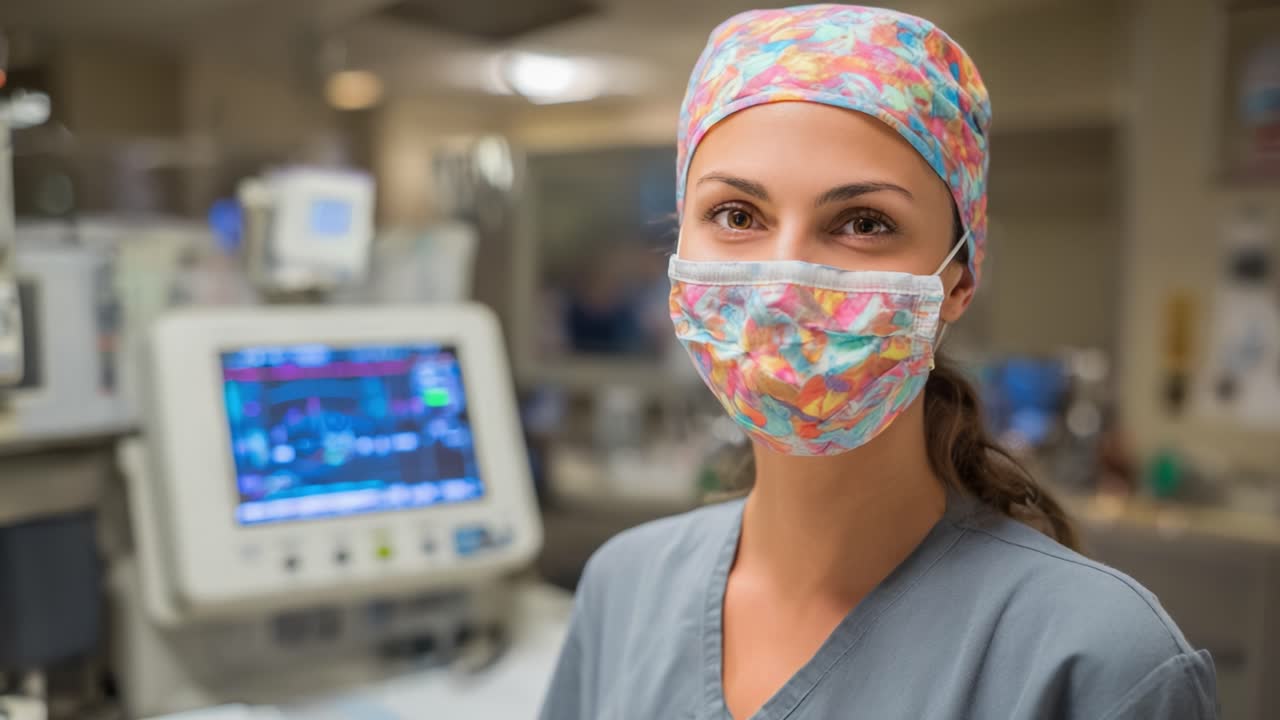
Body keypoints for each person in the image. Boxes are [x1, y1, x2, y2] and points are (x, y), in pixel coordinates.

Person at [538, 5, 1218, 719]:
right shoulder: (624, 589)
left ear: (958, 281)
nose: (782, 283)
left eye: (863, 223)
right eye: (737, 215)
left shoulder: (1099, 663)